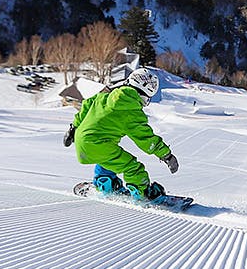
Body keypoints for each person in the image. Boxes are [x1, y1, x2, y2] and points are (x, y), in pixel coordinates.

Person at [66, 66, 179, 201]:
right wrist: (166, 155)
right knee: (132, 167)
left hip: (82, 140)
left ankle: (106, 182)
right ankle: (143, 194)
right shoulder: (132, 112)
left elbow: (86, 105)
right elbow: (146, 138)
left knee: (109, 158)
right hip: (98, 144)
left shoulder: (105, 96)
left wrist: (73, 128)